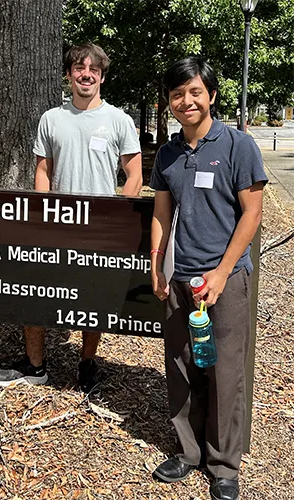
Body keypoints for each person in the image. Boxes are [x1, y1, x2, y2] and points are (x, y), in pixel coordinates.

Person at [0, 43, 142, 393]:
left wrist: (116, 217)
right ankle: (35, 364)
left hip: (100, 231)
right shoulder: (51, 119)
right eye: (79, 68)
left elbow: (134, 175)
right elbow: (43, 171)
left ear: (101, 76)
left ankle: (87, 360)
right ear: (69, 74)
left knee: (94, 301)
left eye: (93, 70)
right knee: (36, 292)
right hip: (56, 225)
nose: (86, 75)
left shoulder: (118, 120)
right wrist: (42, 217)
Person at [149, 57, 267, 500]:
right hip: (179, 277)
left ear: (211, 95)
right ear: (170, 103)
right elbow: (162, 212)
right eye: (178, 94)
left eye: (195, 91)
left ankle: (223, 465)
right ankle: (188, 451)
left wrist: (219, 273)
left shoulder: (238, 146)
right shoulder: (168, 153)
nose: (186, 101)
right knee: (181, 365)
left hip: (226, 278)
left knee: (224, 371)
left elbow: (251, 213)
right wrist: (157, 261)